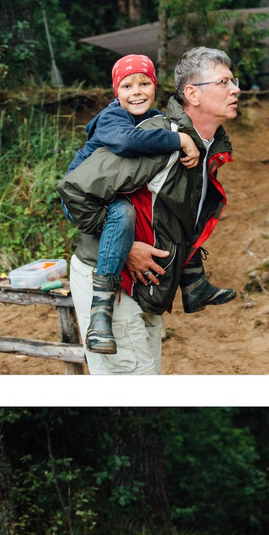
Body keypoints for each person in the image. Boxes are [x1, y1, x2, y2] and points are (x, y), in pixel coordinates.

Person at [57, 45, 242, 375]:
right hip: (114, 282)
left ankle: (195, 285)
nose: (236, 89)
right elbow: (75, 189)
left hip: (147, 286)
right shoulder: (155, 139)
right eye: (224, 82)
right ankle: (100, 313)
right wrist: (125, 247)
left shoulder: (208, 145)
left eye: (234, 81)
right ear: (192, 94)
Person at [64, 54, 203, 356]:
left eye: (144, 83)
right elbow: (127, 143)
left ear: (155, 85)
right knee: (123, 213)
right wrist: (178, 140)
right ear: (116, 92)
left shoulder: (151, 117)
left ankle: (193, 277)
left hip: (113, 190)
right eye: (127, 86)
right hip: (84, 195)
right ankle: (101, 312)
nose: (136, 91)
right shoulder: (112, 117)